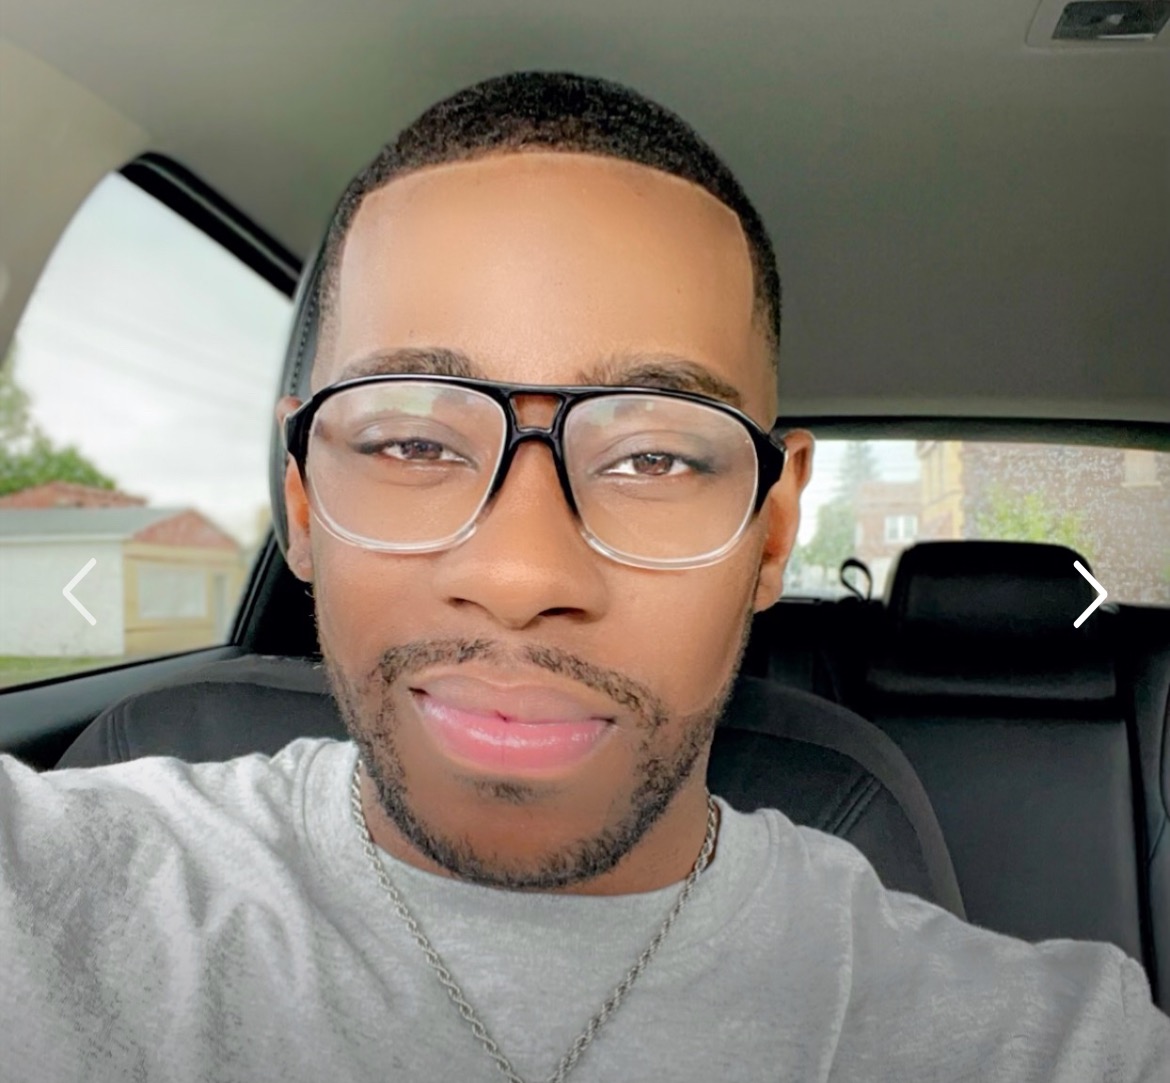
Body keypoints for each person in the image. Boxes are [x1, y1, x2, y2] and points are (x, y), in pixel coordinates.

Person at [1, 71, 1166, 1083]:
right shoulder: (62, 892)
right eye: (412, 442)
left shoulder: (1050, 1041)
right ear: (304, 507)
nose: (520, 572)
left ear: (771, 533)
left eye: (655, 456)